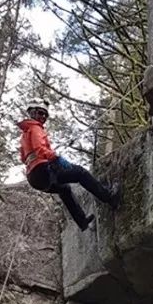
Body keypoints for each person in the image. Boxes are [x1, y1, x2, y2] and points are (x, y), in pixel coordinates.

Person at [18, 98, 120, 230]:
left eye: (45, 114)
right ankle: (109, 198)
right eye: (40, 113)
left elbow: (23, 158)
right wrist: (55, 158)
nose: (43, 117)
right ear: (32, 113)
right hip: (43, 171)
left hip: (34, 178)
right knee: (79, 173)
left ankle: (84, 223)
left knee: (64, 189)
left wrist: (45, 158)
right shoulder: (35, 128)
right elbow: (40, 149)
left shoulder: (25, 134)